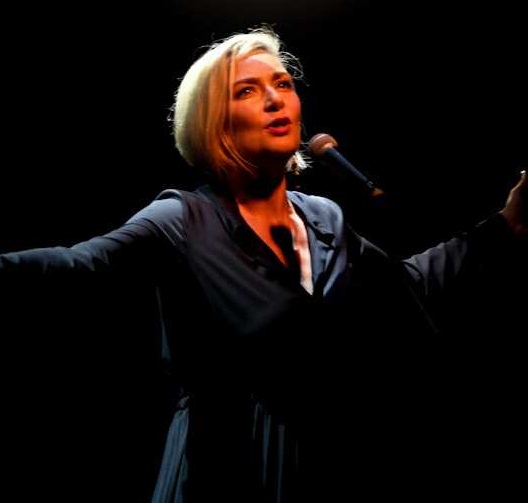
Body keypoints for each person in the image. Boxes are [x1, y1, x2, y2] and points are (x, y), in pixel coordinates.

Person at [1, 25, 526, 502]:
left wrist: (505, 226)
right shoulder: (183, 219)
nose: (276, 99)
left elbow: (404, 286)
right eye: (247, 91)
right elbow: (79, 266)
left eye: (282, 84)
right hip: (219, 469)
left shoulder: (324, 218)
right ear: (214, 123)